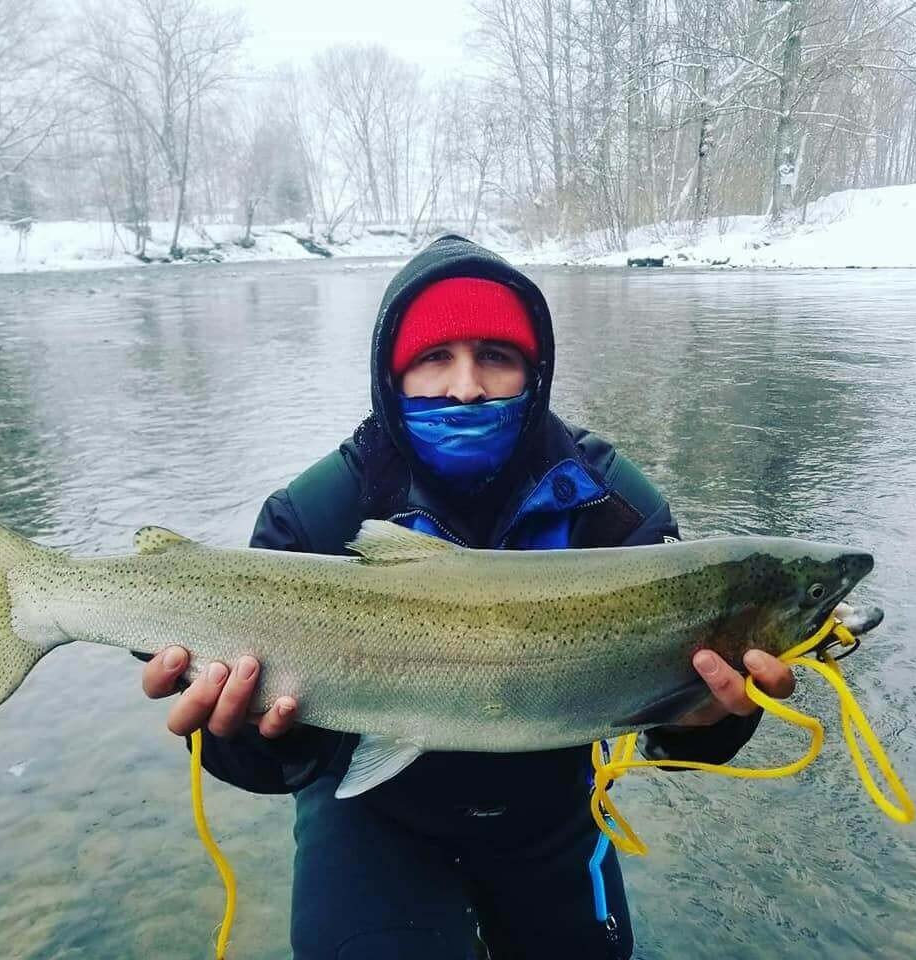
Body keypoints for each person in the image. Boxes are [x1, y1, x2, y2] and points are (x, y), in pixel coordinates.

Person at [140, 235, 795, 959]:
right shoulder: (316, 514)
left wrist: (707, 724)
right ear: (391, 377)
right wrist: (234, 736)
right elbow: (267, 765)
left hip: (550, 813)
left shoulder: (615, 511)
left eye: (495, 356)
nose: (465, 387)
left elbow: (670, 743)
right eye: (433, 358)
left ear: (534, 372)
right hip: (369, 815)